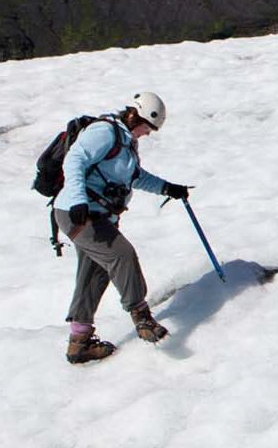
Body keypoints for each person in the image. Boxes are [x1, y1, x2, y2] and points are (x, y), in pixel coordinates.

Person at [54, 91, 193, 363]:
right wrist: (79, 199)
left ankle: (79, 342)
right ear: (135, 117)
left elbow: (134, 177)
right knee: (121, 255)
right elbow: (74, 159)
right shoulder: (104, 132)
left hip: (96, 215)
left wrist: (168, 188)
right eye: (148, 127)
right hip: (77, 214)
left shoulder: (126, 142)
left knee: (95, 273)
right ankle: (142, 317)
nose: (148, 133)